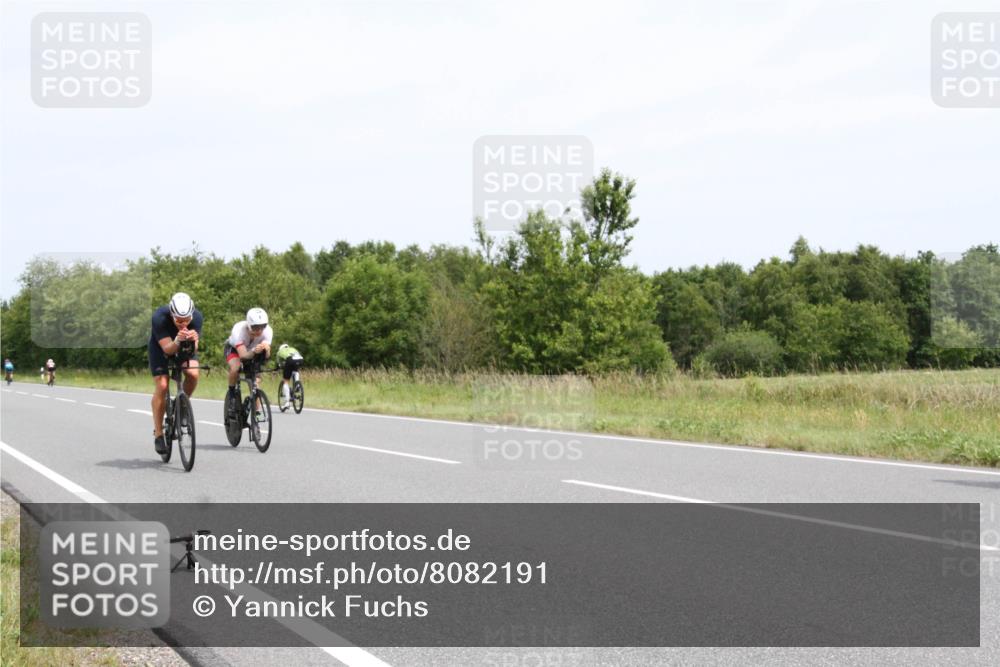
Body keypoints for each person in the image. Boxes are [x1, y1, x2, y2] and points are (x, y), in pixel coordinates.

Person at [149, 293, 203, 455]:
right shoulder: (159, 317)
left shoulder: (197, 318)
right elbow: (168, 349)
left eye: (186, 320)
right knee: (163, 384)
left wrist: (193, 341)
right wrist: (178, 340)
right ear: (172, 314)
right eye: (178, 320)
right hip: (162, 348)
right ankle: (159, 433)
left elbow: (195, 349)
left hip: (184, 346)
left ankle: (182, 406)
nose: (183, 323)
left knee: (193, 374)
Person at [225, 308, 272, 403]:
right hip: (235, 349)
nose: (259, 330)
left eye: (263, 326)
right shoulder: (238, 330)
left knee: (255, 382)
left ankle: (257, 412)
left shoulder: (268, 332)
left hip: (253, 350)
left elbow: (266, 358)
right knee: (236, 368)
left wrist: (267, 350)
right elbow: (243, 356)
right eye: (255, 327)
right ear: (249, 325)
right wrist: (255, 351)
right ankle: (232, 393)